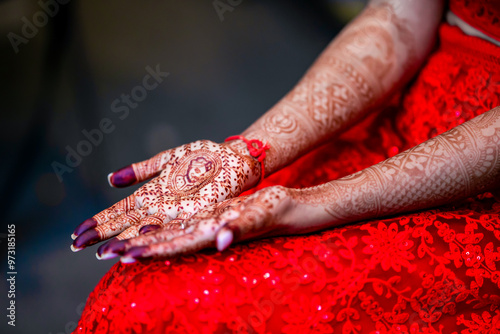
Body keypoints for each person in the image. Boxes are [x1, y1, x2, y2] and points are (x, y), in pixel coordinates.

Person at [71, 0, 500, 332]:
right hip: (408, 110)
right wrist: (247, 154)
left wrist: (309, 202)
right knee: (137, 291)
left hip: (484, 190)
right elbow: (398, 21)